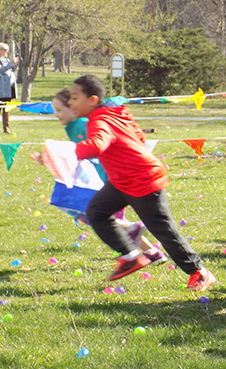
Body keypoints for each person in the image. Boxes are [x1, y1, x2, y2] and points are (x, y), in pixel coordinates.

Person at [66, 75, 214, 288]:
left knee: (163, 230)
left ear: (92, 100)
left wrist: (66, 153)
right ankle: (131, 256)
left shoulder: (100, 119)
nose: (70, 102)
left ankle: (199, 271)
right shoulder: (113, 113)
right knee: (97, 212)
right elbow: (138, 136)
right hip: (122, 180)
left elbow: (97, 144)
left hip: (143, 180)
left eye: (74, 97)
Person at [32, 88, 168, 266]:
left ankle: (141, 247)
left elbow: (91, 148)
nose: (55, 115)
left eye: (58, 110)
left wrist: (54, 156)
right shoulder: (75, 125)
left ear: (73, 108)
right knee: (108, 219)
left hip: (107, 180)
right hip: (106, 178)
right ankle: (150, 251)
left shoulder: (81, 125)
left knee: (100, 217)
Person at [0, 41, 18, 134]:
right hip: (0, 87)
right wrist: (10, 64)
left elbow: (11, 69)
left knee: (7, 108)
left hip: (8, 86)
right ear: (0, 50)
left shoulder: (6, 59)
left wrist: (14, 64)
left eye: (7, 50)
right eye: (5, 50)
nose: (6, 52)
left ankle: (6, 128)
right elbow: (0, 70)